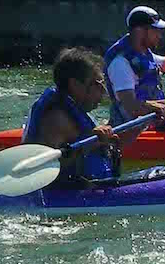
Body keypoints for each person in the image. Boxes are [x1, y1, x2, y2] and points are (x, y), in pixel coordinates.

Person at [103, 6, 165, 136]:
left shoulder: (144, 54)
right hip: (132, 130)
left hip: (154, 122)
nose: (160, 35)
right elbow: (132, 106)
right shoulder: (120, 63)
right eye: (156, 30)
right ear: (140, 31)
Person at [21, 47, 119, 182]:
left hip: (89, 188)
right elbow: (40, 170)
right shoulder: (56, 119)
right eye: (98, 84)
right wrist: (89, 144)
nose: (103, 92)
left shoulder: (74, 110)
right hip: (63, 196)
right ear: (75, 84)